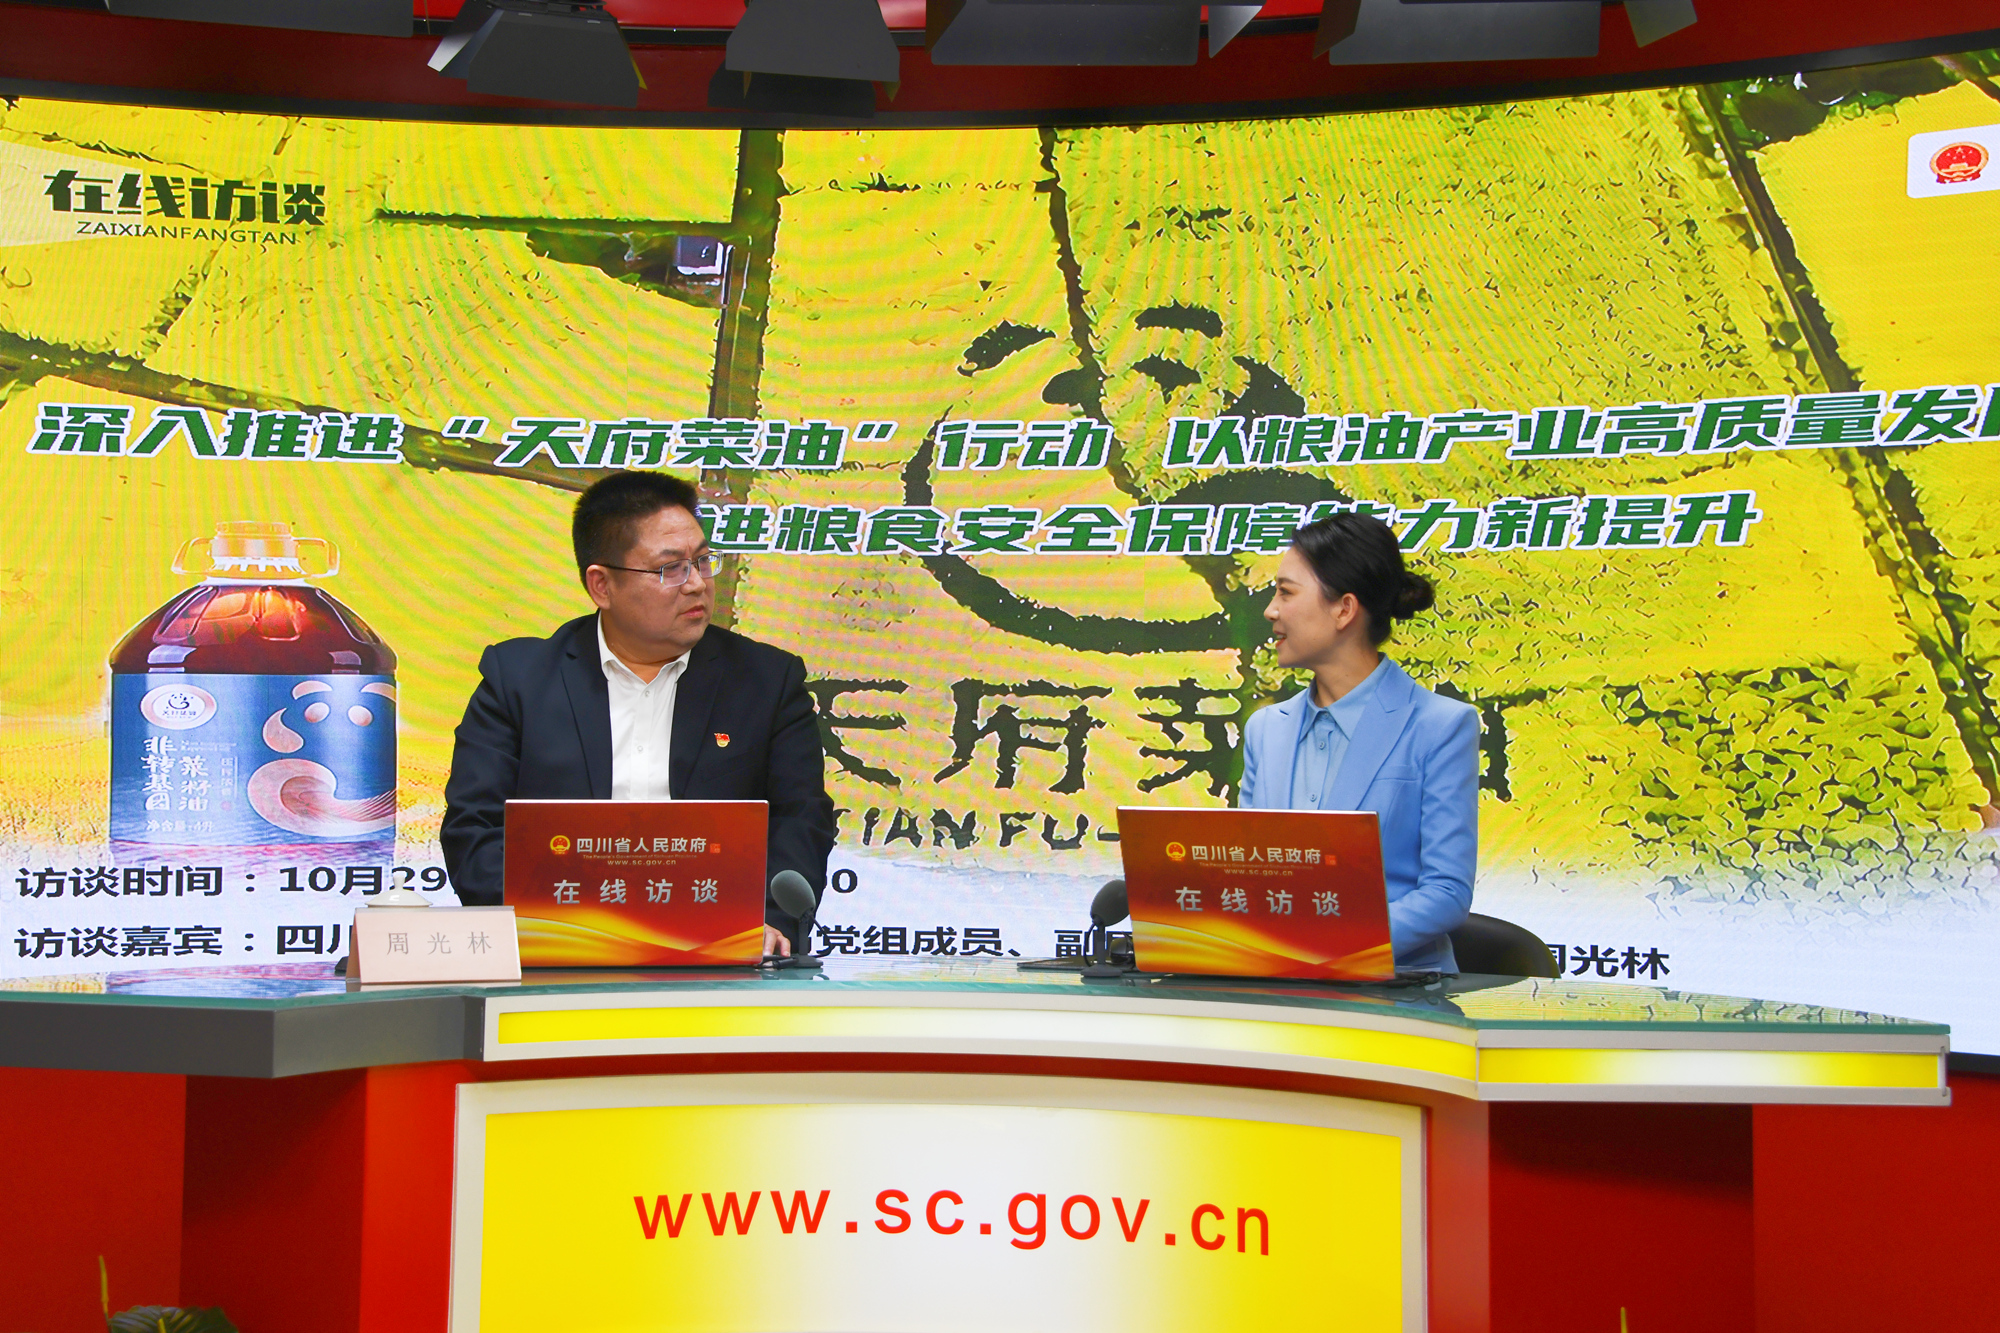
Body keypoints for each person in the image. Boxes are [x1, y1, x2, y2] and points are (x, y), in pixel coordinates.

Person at [441, 470, 836, 956]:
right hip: (559, 954)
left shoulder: (766, 682)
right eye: (671, 569)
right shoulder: (518, 681)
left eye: (703, 561)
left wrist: (772, 924)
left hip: (726, 957)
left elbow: (801, 820)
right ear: (602, 585)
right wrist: (559, 930)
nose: (697, 584)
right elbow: (474, 831)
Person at [1239, 514, 1477, 972]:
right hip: (1273, 986)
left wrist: (1325, 950)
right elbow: (1249, 873)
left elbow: (1446, 892)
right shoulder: (1265, 728)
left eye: (1286, 593)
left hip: (1394, 992)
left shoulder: (1441, 725)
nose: (1271, 610)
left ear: (1344, 610)